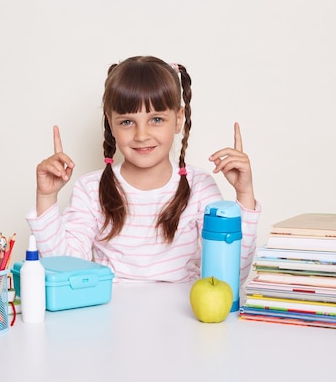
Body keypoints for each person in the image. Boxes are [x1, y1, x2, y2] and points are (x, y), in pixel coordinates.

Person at [26, 56, 260, 283]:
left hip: (184, 317)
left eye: (156, 119)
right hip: (111, 316)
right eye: (127, 122)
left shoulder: (199, 186)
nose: (141, 135)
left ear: (178, 119)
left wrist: (245, 195)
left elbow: (229, 279)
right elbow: (64, 269)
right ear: (110, 123)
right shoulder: (91, 189)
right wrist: (46, 198)